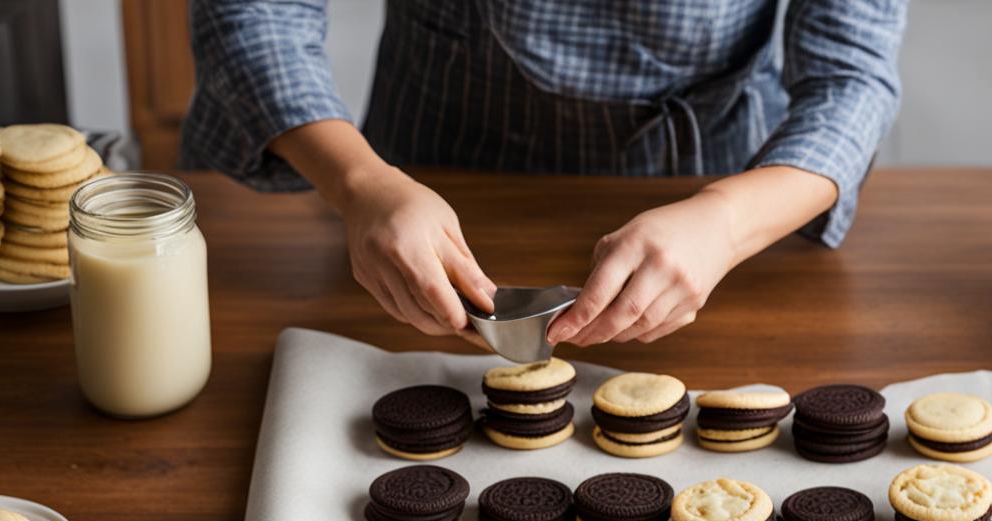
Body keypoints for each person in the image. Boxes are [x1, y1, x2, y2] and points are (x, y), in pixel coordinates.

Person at [183, 1, 906, 346]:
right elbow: (255, 15)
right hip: (418, 193)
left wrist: (723, 218)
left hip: (719, 231)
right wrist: (361, 185)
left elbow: (852, 77)